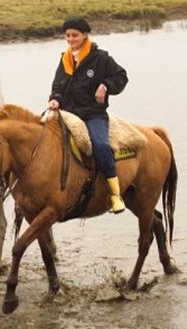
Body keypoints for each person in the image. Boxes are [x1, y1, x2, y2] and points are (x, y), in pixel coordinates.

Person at [48, 16, 129, 214]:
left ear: (85, 35)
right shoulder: (65, 59)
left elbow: (121, 76)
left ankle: (115, 194)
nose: (71, 39)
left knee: (100, 145)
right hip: (67, 113)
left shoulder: (101, 58)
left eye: (75, 35)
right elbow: (58, 84)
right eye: (67, 36)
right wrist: (55, 99)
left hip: (93, 114)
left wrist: (105, 86)